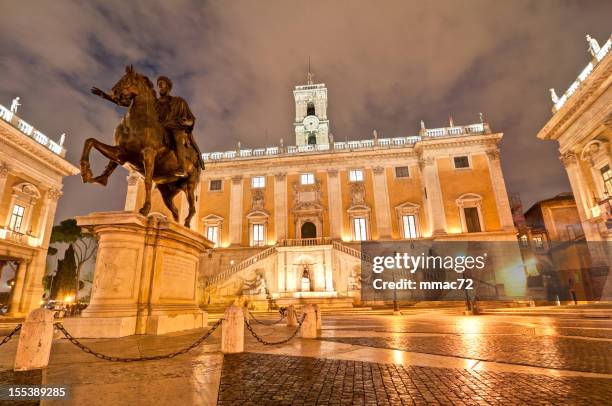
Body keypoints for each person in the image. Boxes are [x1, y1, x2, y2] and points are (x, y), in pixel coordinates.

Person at [155, 76, 204, 176]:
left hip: (175, 127)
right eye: (159, 85)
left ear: (168, 87)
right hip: (160, 128)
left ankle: (182, 167)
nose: (160, 86)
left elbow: (191, 118)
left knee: (178, 139)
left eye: (162, 84)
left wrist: (187, 122)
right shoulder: (155, 104)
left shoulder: (179, 101)